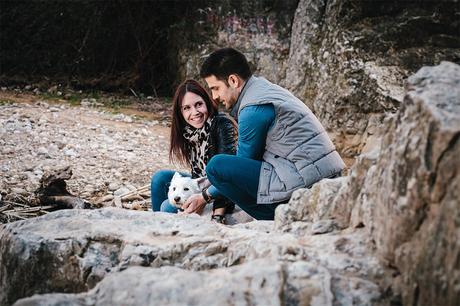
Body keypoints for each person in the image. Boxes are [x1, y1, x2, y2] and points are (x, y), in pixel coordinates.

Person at [182, 47, 345, 220]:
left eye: (216, 88)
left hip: (308, 182)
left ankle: (272, 217)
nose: (214, 96)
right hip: (313, 174)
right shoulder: (263, 90)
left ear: (233, 81)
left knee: (217, 167)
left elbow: (240, 166)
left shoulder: (253, 108)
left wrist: (205, 196)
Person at [150, 79, 237, 223]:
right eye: (187, 108)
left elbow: (227, 175)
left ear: (206, 102)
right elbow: (197, 175)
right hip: (203, 183)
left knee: (167, 206)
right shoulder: (190, 132)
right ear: (180, 112)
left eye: (198, 105)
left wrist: (217, 215)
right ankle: (156, 227)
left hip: (220, 190)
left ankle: (168, 231)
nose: (195, 112)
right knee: (160, 178)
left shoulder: (221, 125)